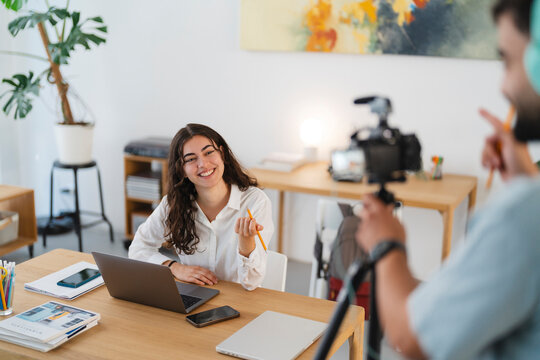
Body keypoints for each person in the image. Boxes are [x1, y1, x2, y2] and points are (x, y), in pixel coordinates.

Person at [355, 0, 540, 358]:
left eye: (507, 60)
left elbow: (412, 339)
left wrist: (387, 246)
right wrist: (525, 179)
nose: (504, 84)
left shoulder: (520, 216)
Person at [129, 123, 274, 291]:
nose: (203, 164)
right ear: (182, 169)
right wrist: (175, 267)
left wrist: (246, 244)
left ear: (223, 154)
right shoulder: (173, 203)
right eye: (191, 159)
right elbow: (138, 248)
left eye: (209, 152)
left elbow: (251, 282)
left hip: (241, 301)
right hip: (194, 295)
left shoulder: (255, 202)